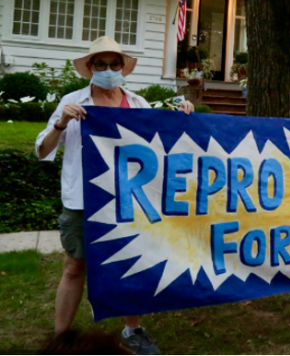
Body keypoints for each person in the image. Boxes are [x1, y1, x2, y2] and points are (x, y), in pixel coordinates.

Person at [36, 37, 194, 356]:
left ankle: (132, 330)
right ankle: (61, 339)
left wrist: (184, 119)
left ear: (123, 68)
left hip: (129, 200)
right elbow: (42, 150)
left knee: (130, 264)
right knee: (74, 266)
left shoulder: (137, 104)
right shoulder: (73, 102)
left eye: (114, 64)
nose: (108, 70)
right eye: (101, 64)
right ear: (90, 68)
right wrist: (61, 122)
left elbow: (159, 147)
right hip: (84, 200)